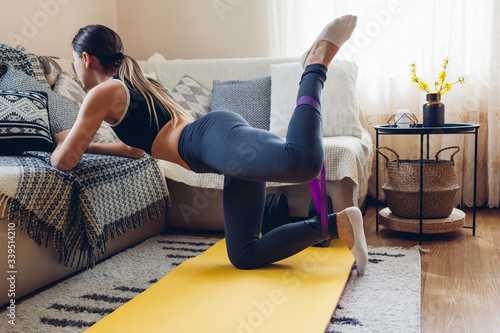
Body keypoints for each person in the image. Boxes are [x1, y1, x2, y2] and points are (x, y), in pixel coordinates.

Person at [50, 15, 368, 275]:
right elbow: (135, 150)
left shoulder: (103, 92)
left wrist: (61, 146)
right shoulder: (133, 82)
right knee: (245, 254)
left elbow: (64, 161)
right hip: (215, 147)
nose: (76, 71)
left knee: (303, 161)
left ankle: (314, 67)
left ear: (85, 58)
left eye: (75, 63)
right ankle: (333, 224)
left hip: (207, 141)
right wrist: (91, 147)